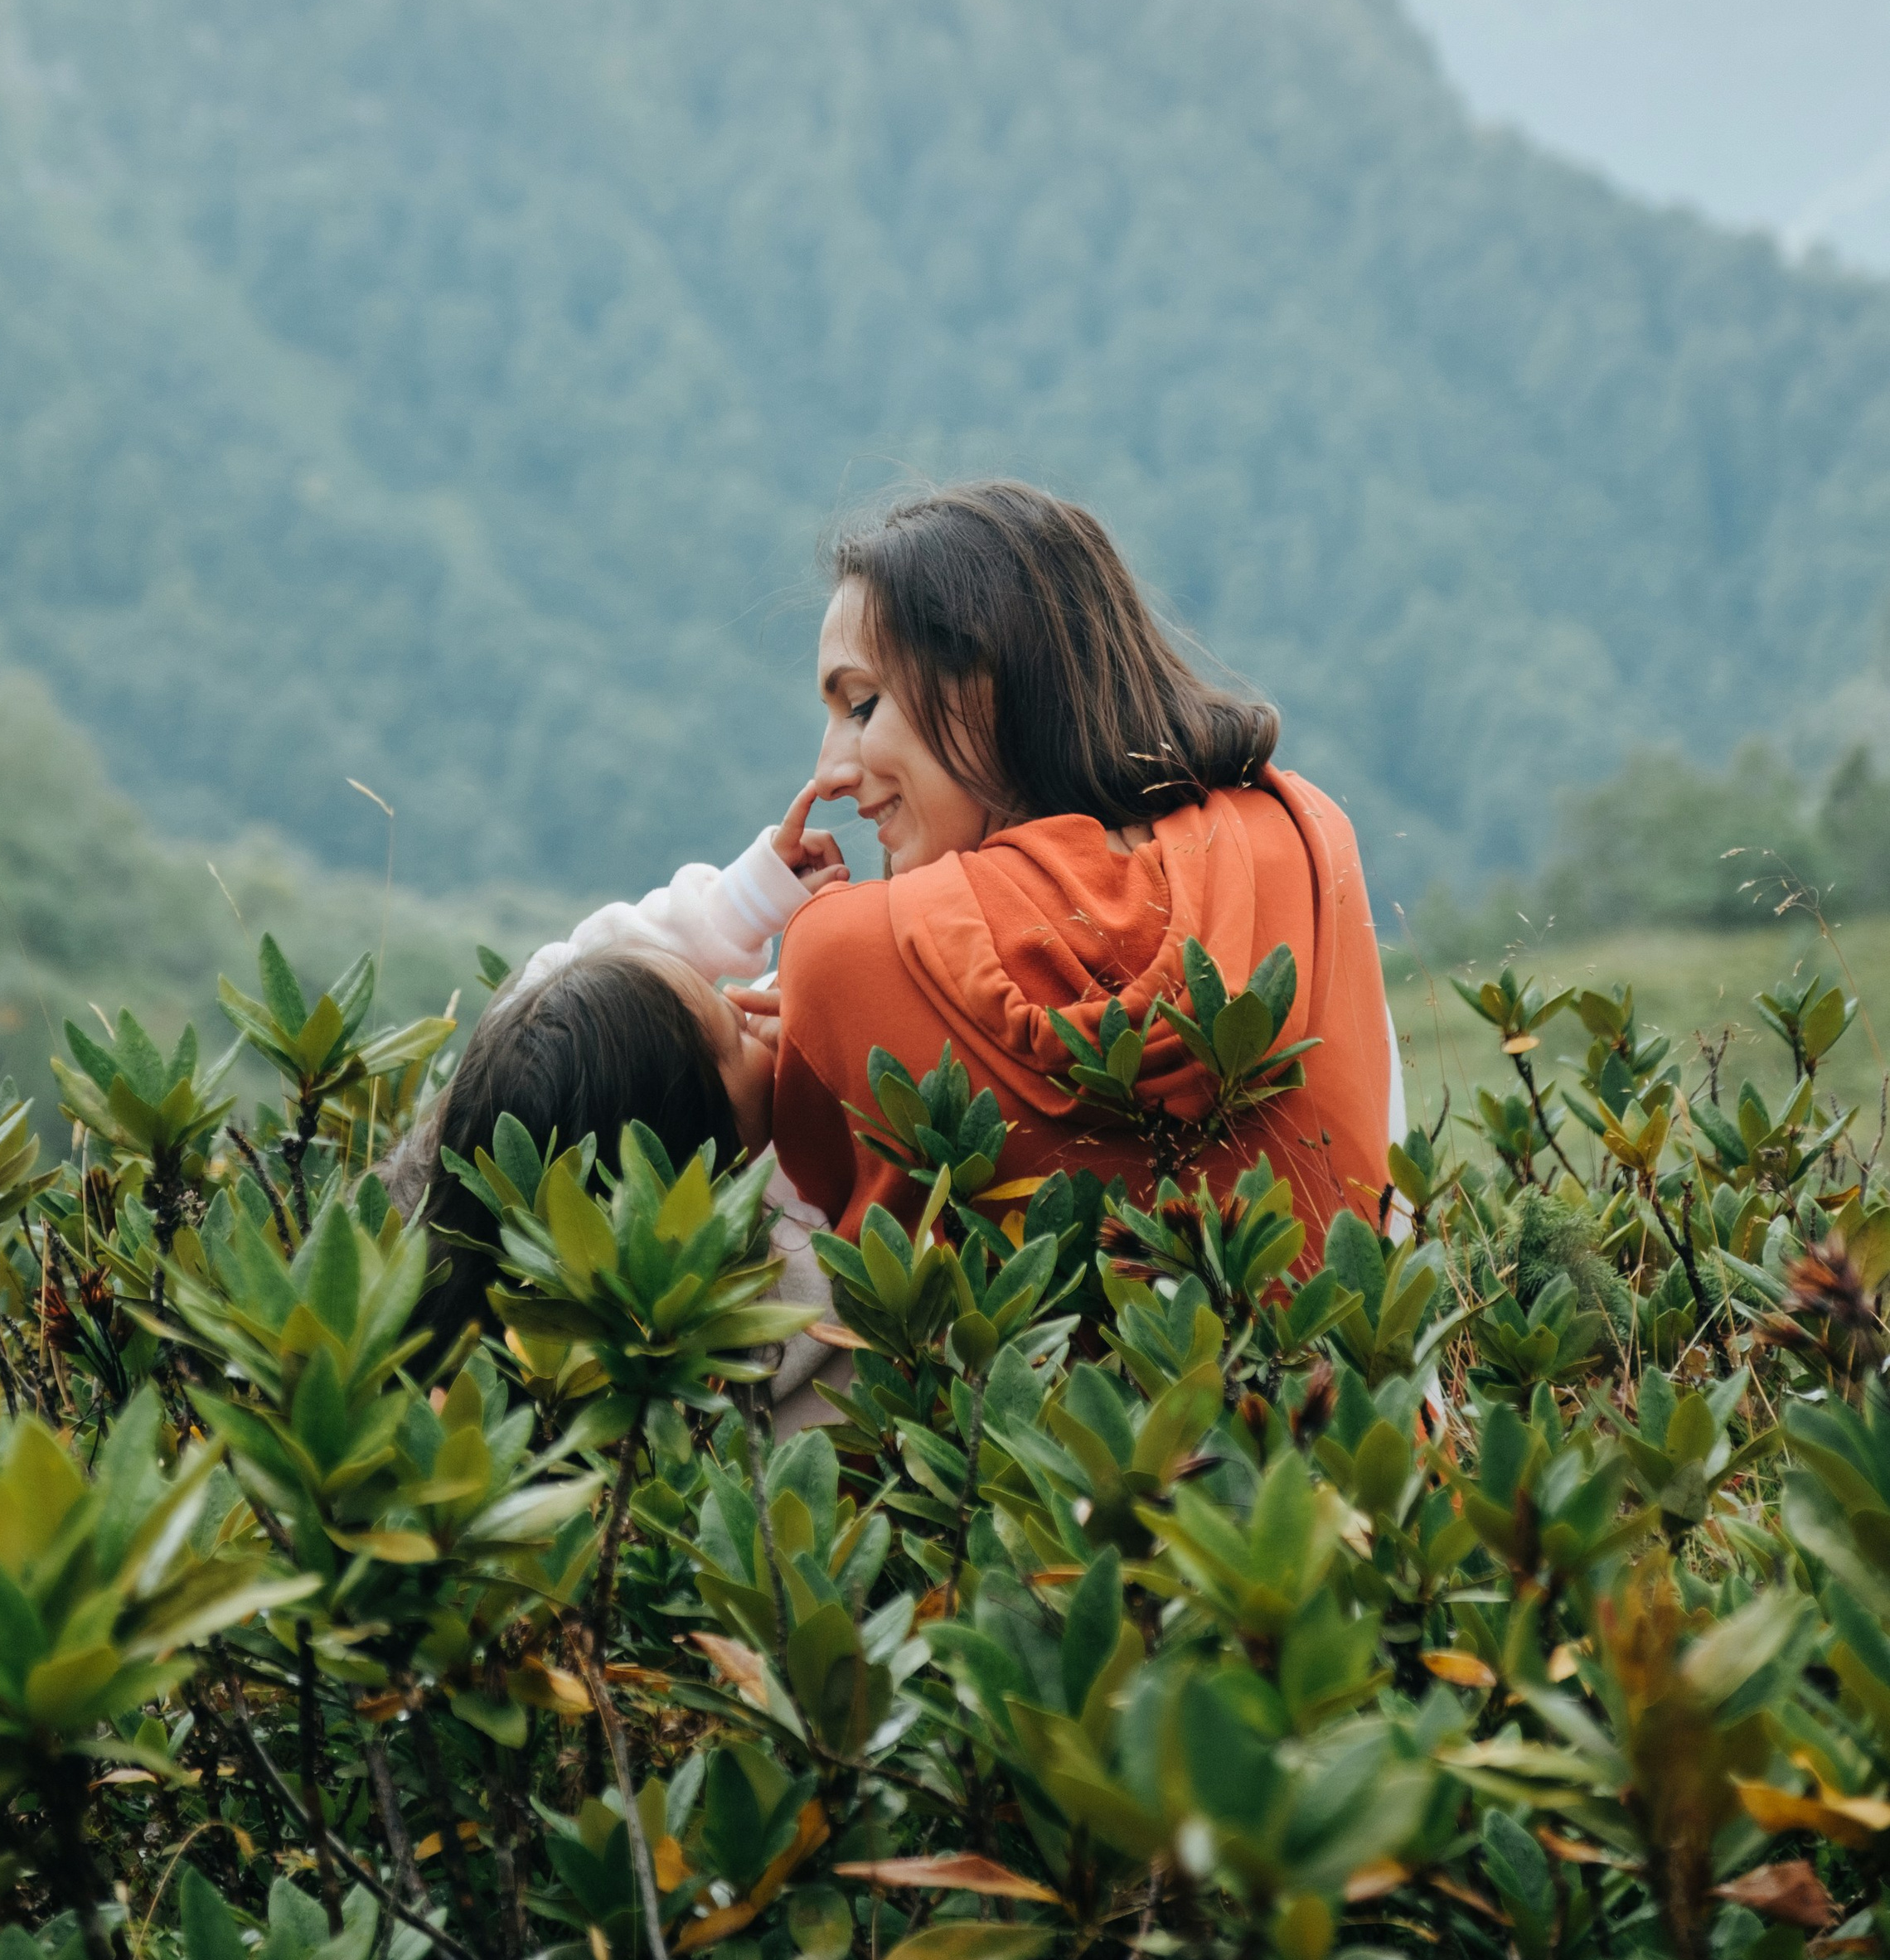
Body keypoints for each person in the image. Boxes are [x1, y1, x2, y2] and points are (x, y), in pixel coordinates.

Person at [767, 482, 1402, 1248]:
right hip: (1353, 1368)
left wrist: (809, 1011)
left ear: (984, 684)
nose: (828, 771)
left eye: (862, 705)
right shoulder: (1303, 840)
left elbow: (852, 1266)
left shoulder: (842, 952)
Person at [391, 941, 836, 1429]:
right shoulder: (793, 1295)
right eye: (737, 1034)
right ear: (697, 1146)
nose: (753, 1019)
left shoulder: (446, 1244)